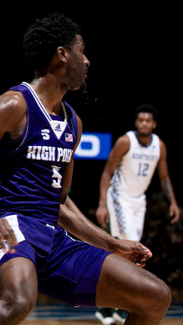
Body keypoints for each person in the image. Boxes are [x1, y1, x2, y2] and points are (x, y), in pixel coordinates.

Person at [0, 13, 171, 325]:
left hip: (53, 238)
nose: (87, 61)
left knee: (155, 295)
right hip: (13, 228)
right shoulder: (13, 104)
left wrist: (111, 243)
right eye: (82, 51)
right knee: (17, 302)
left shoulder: (73, 122)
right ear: (62, 54)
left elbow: (60, 203)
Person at [95, 103, 180, 324]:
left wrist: (173, 202)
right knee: (132, 248)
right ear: (136, 123)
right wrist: (103, 203)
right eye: (140, 120)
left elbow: (164, 178)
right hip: (119, 196)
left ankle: (107, 306)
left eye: (147, 120)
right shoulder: (126, 141)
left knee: (128, 253)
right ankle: (119, 304)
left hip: (138, 201)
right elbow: (107, 172)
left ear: (154, 124)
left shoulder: (159, 146)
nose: (143, 123)